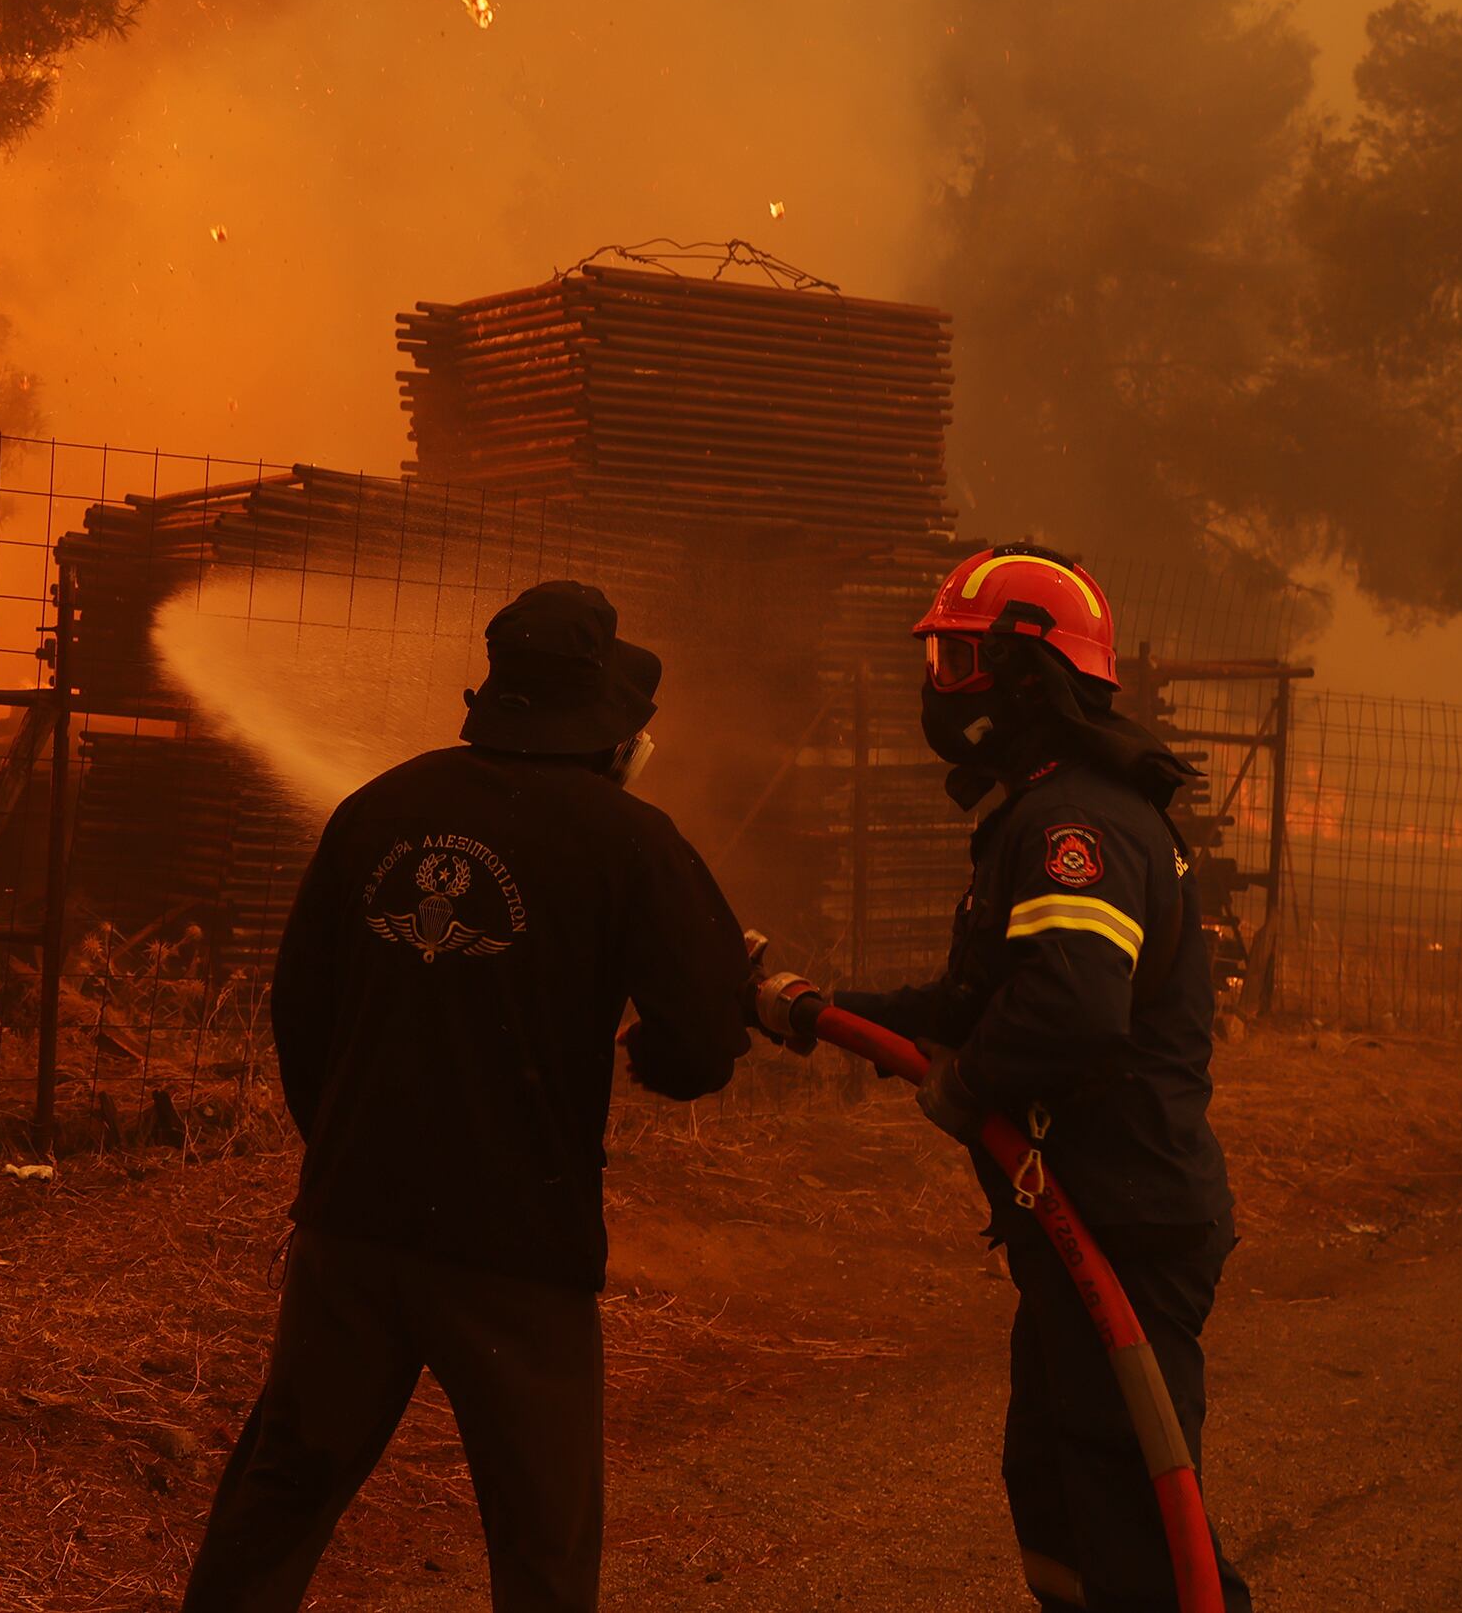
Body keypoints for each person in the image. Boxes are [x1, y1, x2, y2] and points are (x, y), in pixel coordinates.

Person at [177, 580, 755, 1613]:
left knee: (282, 1493)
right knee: (543, 1539)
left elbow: (298, 1009)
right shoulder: (632, 842)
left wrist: (347, 1146)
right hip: (520, 1253)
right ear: (608, 728)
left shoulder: (377, 810)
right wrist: (653, 1058)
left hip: (353, 1231)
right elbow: (705, 1036)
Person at [789, 543, 1250, 1613]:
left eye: (956, 663)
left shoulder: (1072, 825)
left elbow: (1073, 1008)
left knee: (1136, 1513)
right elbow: (973, 1007)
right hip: (1081, 1216)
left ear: (1024, 674)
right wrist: (817, 1009)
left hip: (1122, 1221)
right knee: (1053, 1485)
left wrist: (967, 1084)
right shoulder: (1044, 813)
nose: (939, 691)